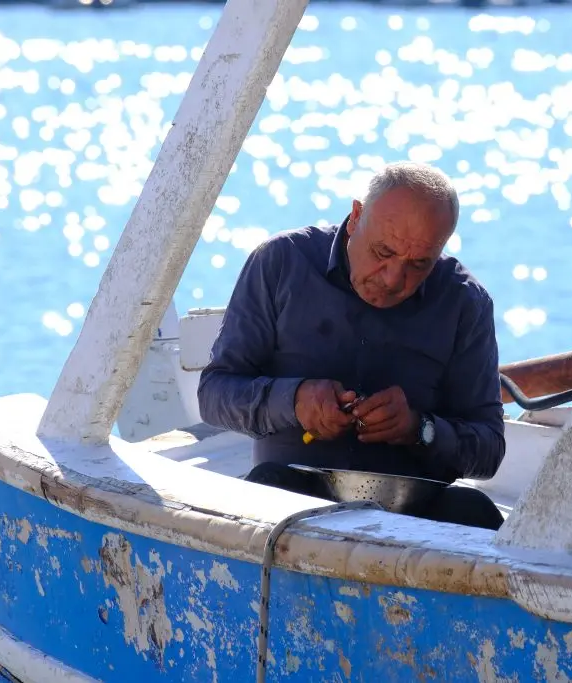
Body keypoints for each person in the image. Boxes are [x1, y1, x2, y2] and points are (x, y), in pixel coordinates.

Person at [197, 161, 506, 530]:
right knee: (267, 485)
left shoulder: (465, 302)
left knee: (477, 512)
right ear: (356, 216)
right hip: (291, 499)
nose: (394, 279)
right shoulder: (281, 262)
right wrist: (294, 401)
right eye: (383, 253)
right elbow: (214, 394)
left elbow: (488, 451)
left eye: (419, 264)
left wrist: (417, 428)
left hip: (413, 513)